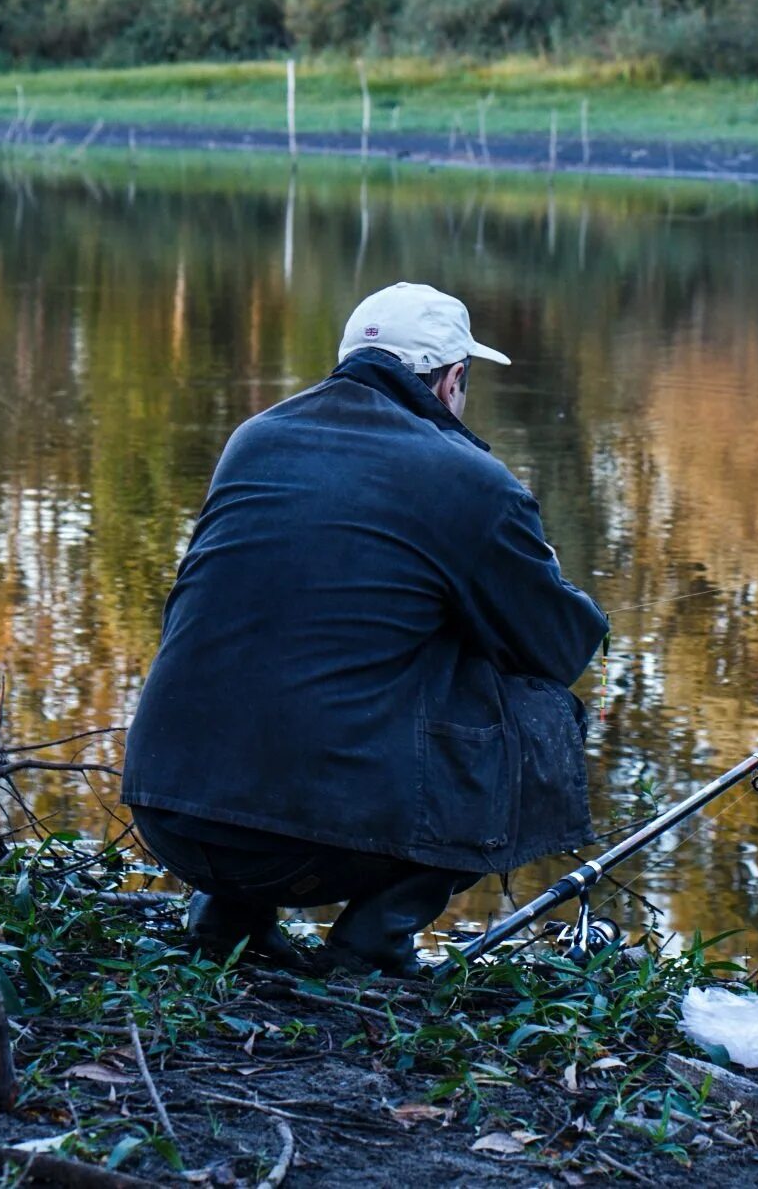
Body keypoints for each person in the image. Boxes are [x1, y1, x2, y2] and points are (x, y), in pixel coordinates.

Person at [120, 282, 607, 976]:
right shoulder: (470, 480)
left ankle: (229, 916)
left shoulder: (253, 439)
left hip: (169, 814)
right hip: (308, 845)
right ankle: (374, 941)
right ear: (451, 381)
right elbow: (558, 649)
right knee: (539, 712)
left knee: (295, 649)